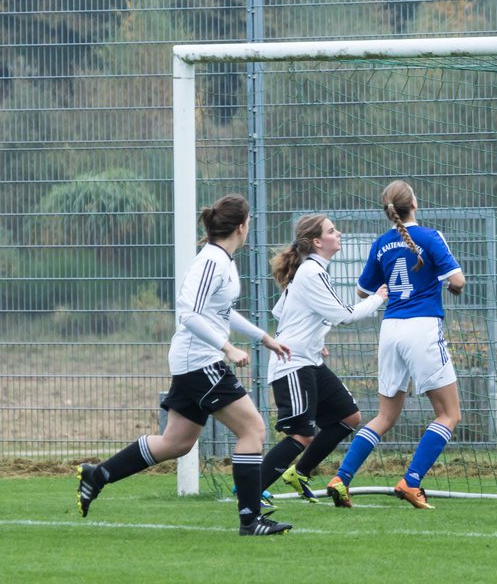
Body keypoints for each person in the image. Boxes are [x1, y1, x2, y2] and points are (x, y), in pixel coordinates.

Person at [76, 194, 294, 535]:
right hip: (200, 361)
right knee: (253, 430)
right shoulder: (212, 261)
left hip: (193, 360)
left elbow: (221, 311)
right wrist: (226, 347)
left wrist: (263, 338)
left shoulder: (221, 260)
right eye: (249, 221)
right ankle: (251, 520)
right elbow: (189, 314)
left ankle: (98, 474)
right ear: (241, 226)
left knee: (176, 442)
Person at [325, 180, 466, 510]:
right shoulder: (430, 237)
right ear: (413, 204)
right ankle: (411, 481)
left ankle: (341, 478)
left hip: (390, 330)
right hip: (422, 328)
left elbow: (363, 291)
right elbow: (457, 281)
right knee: (449, 414)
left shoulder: (381, 244)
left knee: (385, 416)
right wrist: (446, 284)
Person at [259, 214, 388, 503]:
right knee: (301, 435)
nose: (338, 233)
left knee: (348, 416)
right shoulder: (311, 272)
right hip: (293, 364)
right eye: (332, 231)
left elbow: (282, 312)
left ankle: (299, 472)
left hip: (310, 360)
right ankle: (251, 488)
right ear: (317, 242)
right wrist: (379, 297)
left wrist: (316, 338)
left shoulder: (311, 271)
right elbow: (343, 315)